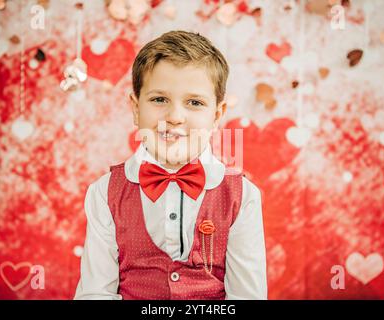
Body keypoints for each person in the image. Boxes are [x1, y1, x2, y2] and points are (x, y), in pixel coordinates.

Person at [74, 30, 267, 300]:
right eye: (159, 99)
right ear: (135, 107)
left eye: (195, 102)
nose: (175, 116)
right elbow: (95, 293)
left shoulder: (242, 196)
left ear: (217, 115)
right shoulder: (103, 193)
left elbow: (247, 297)